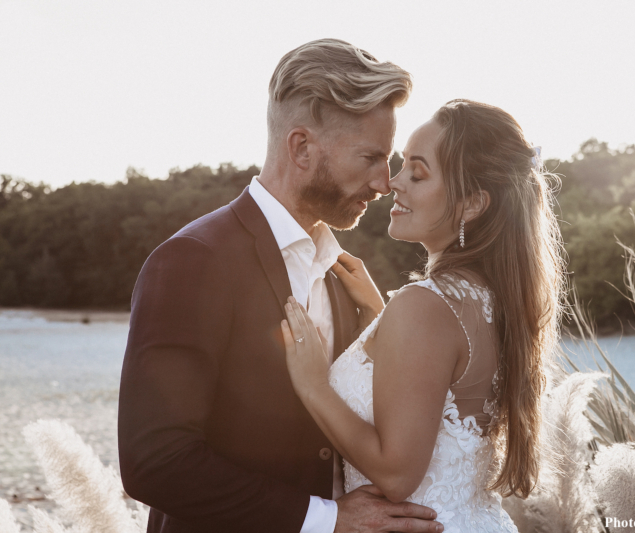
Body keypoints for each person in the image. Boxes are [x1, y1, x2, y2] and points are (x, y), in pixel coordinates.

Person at [118, 39, 443, 533]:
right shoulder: (192, 262)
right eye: (371, 158)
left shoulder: (343, 275)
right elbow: (156, 461)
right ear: (302, 148)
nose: (384, 182)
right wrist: (326, 520)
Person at [282, 99, 565, 532]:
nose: (394, 182)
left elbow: (397, 476)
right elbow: (436, 383)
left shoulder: (425, 306)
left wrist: (314, 385)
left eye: (418, 172)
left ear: (472, 204)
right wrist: (380, 319)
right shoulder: (492, 298)